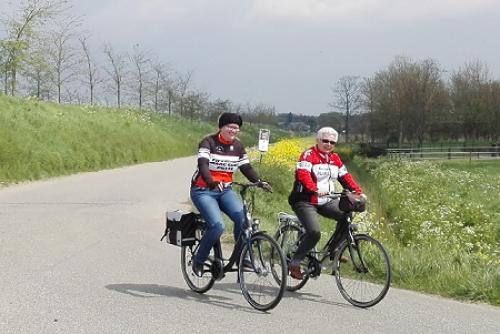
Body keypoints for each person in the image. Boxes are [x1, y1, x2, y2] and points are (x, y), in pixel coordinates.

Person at [190, 112, 272, 277]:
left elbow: (246, 168)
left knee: (243, 220)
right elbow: (203, 164)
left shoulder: (238, 146)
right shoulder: (208, 142)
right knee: (217, 226)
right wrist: (210, 180)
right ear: (221, 127)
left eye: (236, 128)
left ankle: (243, 257)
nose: (233, 130)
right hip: (204, 190)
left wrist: (260, 182)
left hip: (225, 190)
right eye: (230, 126)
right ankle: (199, 260)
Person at [287, 127, 365, 280]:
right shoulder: (308, 155)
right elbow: (303, 176)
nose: (328, 144)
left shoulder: (335, 158)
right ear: (318, 140)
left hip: (326, 200)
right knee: (314, 232)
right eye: (325, 141)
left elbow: (346, 177)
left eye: (332, 142)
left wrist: (358, 192)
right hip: (305, 200)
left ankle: (334, 251)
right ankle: (294, 263)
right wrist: (314, 189)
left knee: (346, 215)